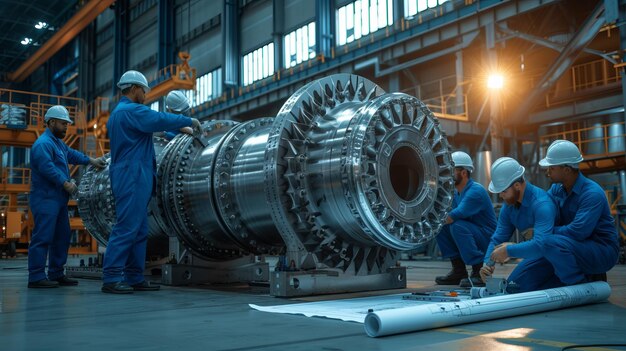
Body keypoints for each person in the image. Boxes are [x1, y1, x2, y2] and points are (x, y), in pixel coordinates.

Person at [101, 70, 201, 294]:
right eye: (144, 91)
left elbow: (154, 129)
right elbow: (156, 119)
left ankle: (134, 276)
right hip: (132, 174)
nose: (145, 95)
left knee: (139, 230)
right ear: (135, 88)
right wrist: (188, 120)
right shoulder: (131, 110)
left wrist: (178, 129)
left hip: (134, 173)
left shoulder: (122, 114)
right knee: (127, 227)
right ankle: (112, 277)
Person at [28, 105, 106, 288]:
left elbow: (71, 154)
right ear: (51, 122)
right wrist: (65, 183)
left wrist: (90, 160)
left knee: (62, 236)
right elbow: (47, 168)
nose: (66, 128)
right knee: (43, 237)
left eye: (67, 124)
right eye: (63, 124)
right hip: (45, 198)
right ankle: (36, 277)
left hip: (58, 200)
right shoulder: (43, 144)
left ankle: (56, 273)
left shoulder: (57, 143)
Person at [538, 139, 619, 285]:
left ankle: (582, 286)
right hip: (572, 245)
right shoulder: (558, 188)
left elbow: (578, 232)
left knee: (548, 242)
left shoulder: (592, 193)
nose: (547, 172)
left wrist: (546, 231)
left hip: (601, 250)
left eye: (552, 168)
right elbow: (542, 208)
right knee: (525, 275)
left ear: (567, 170)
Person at [480, 157, 559, 293]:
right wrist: (487, 264)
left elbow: (541, 245)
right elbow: (498, 237)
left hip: (555, 256)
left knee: (517, 288)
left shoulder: (542, 204)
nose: (500, 196)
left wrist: (509, 250)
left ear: (517, 185)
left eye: (503, 191)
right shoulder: (509, 206)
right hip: (535, 256)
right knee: (514, 286)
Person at [435, 151, 497, 287]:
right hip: (474, 233)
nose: (448, 174)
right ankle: (458, 270)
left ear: (464, 173)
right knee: (442, 226)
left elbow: (454, 216)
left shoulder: (475, 191)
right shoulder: (456, 193)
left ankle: (478, 271)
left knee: (456, 225)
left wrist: (429, 222)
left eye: (452, 170)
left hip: (488, 239)